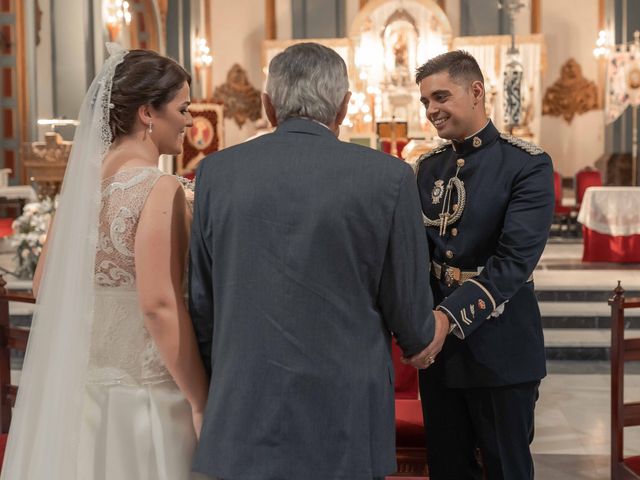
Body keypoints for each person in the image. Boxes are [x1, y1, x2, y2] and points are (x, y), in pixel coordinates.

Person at [188, 42, 447, 480]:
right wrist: (427, 334)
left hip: (245, 404)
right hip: (345, 414)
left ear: (269, 106)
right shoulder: (389, 177)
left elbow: (202, 300)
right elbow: (408, 305)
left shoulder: (216, 173)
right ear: (344, 107)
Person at [1, 44, 208, 479]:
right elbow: (158, 305)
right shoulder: (158, 187)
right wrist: (200, 400)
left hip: (82, 398)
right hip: (147, 400)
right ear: (148, 114)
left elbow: (43, 286)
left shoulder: (84, 187)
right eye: (183, 108)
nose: (191, 120)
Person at [412, 50, 554, 479]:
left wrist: (444, 318)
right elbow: (418, 255)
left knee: (504, 469)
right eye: (425, 102)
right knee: (448, 469)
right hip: (440, 356)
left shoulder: (526, 164)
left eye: (440, 97)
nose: (432, 110)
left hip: (501, 349)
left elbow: (513, 262)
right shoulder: (426, 168)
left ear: (476, 91)